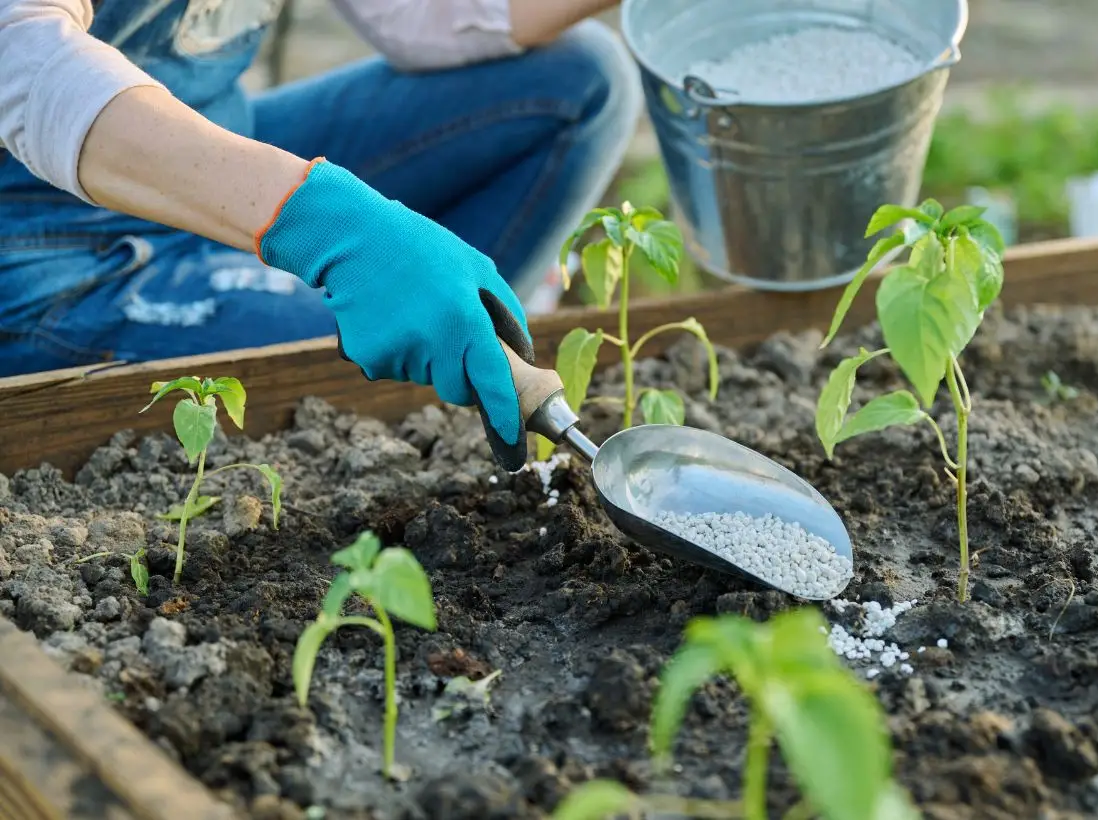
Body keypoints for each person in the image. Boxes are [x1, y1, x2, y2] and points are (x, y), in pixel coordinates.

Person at [0, 0, 642, 469]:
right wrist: (329, 224)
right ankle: (422, 387)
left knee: (579, 80)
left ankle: (456, 335)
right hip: (51, 247)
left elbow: (422, 16)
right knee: (356, 359)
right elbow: (22, 59)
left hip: (227, 143)